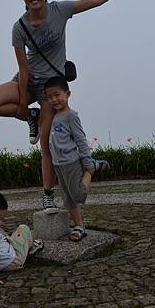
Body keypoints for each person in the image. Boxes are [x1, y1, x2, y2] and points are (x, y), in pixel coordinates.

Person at [0, 0, 144, 214]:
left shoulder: (60, 10)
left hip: (50, 87)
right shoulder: (19, 27)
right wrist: (24, 106)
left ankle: (47, 195)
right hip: (28, 80)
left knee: (46, 143)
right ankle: (31, 117)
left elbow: (95, 0)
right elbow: (23, 68)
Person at [44, 76, 110, 241]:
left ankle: (92, 167)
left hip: (71, 162)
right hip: (58, 164)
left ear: (68, 93)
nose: (54, 99)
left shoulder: (71, 116)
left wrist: (87, 162)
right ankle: (79, 226)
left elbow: (81, 140)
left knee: (79, 196)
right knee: (68, 200)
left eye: (57, 95)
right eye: (49, 97)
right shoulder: (54, 115)